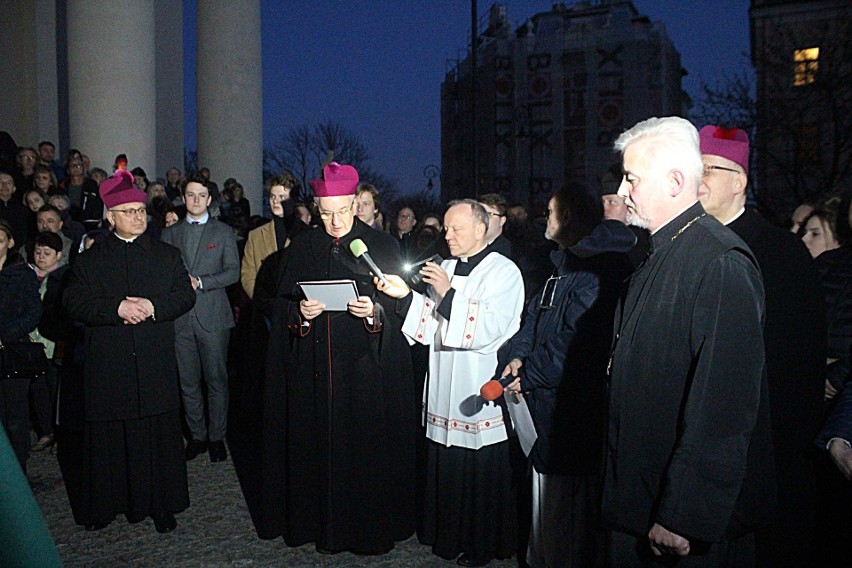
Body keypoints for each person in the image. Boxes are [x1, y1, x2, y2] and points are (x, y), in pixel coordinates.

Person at [603, 117, 774, 566]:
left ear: (676, 181)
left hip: (679, 523)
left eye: (631, 179)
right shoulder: (661, 251)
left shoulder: (720, 262)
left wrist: (684, 514)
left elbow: (725, 405)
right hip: (640, 495)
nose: (622, 192)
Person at [255, 162, 416, 555]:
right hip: (314, 371)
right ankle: (317, 525)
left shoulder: (381, 245)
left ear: (355, 204)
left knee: (363, 451)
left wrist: (375, 313)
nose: (335, 221)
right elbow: (281, 304)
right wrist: (300, 315)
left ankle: (365, 529)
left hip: (364, 372)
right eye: (326, 213)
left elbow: (401, 307)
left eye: (342, 212)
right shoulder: (304, 247)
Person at [699, 124, 826, 567]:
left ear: (740, 180)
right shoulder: (685, 247)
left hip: (760, 454)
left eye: (710, 169)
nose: (699, 180)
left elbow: (795, 368)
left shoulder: (780, 254)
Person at [378, 199, 525, 566]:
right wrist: (403, 298)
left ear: (480, 228)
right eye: (446, 228)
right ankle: (445, 533)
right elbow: (430, 324)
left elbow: (489, 328)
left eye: (457, 228)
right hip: (443, 379)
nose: (449, 235)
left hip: (476, 381)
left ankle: (482, 543)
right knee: (444, 456)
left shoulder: (504, 272)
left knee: (478, 466)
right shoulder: (443, 266)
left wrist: (447, 294)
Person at [501, 184, 634, 568]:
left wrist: (530, 372)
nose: (545, 218)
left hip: (571, 414)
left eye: (552, 212)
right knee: (546, 512)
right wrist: (516, 357)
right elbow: (534, 318)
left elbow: (577, 344)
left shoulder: (598, 269)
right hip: (544, 404)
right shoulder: (561, 263)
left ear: (570, 219)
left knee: (568, 520)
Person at [63, 169, 196, 533]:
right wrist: (115, 309)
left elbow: (185, 295)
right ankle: (107, 505)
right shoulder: (91, 259)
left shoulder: (166, 255)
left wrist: (153, 307)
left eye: (141, 210)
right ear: (111, 217)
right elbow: (73, 301)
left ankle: (160, 504)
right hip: (109, 363)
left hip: (153, 361)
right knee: (111, 437)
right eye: (130, 211)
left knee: (155, 435)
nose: (139, 216)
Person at [161, 174, 239, 463]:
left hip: (214, 318)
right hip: (181, 319)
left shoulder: (223, 232)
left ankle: (218, 436)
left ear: (209, 199)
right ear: (184, 198)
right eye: (190, 195)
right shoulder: (169, 234)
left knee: (216, 379)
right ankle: (197, 436)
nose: (195, 200)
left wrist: (202, 282)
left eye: (200, 195)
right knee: (187, 381)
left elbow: (233, 272)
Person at [0, 220, 42, 473]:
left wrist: (6, 335)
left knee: (15, 416)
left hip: (13, 351)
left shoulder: (21, 274)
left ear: (9, 242)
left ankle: (19, 471)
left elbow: (33, 312)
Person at [240, 173, 300, 299]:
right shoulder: (255, 236)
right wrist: (261, 300)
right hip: (265, 309)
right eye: (272, 196)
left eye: (282, 197)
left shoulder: (307, 234)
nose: (275, 201)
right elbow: (248, 274)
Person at [478, 193, 513, 258]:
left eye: (488, 215)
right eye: (478, 214)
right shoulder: (463, 247)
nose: (482, 219)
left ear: (502, 221)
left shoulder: (513, 254)